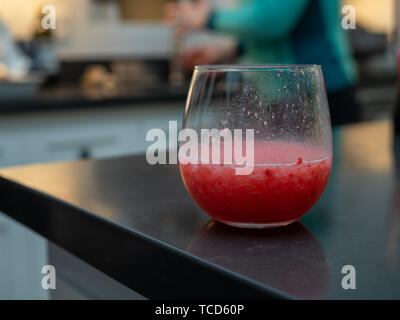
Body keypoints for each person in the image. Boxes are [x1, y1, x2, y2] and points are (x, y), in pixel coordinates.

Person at [164, 0, 361, 126]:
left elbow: (270, 21)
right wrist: (227, 51)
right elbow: (277, 29)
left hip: (316, 95)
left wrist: (209, 18)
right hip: (282, 96)